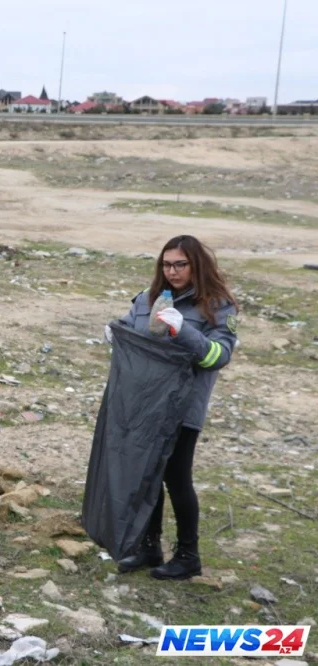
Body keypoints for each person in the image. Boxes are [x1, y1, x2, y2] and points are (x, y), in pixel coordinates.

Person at [107, 235, 238, 581]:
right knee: (146, 474)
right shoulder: (148, 299)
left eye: (180, 264)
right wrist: (115, 331)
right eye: (166, 264)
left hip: (183, 407)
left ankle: (188, 555)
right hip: (145, 404)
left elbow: (218, 356)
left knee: (176, 477)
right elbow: (129, 327)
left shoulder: (216, 306)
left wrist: (185, 332)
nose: (172, 271)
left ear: (196, 265)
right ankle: (149, 547)